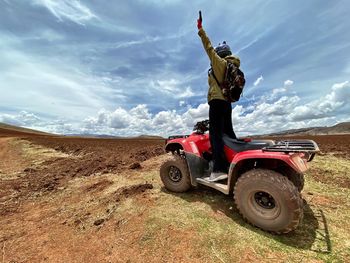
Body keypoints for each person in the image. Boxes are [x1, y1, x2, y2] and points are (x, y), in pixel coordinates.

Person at [197, 12, 241, 182]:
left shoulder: (220, 63)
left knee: (215, 134)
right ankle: (234, 163)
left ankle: (219, 169)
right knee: (229, 132)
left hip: (216, 101)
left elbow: (207, 46)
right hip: (227, 103)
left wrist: (201, 30)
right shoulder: (233, 65)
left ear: (219, 53)